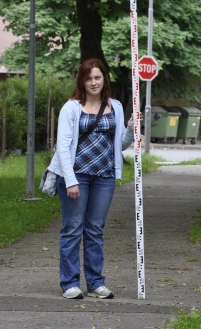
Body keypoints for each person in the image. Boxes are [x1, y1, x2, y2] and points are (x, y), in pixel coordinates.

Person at [45, 58, 135, 299]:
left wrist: (131, 129)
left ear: (104, 78)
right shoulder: (71, 108)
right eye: (88, 78)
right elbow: (63, 147)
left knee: (95, 229)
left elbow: (120, 145)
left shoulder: (115, 107)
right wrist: (71, 180)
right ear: (82, 81)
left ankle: (96, 283)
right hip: (77, 176)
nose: (94, 82)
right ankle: (70, 283)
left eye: (97, 77)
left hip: (104, 177)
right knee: (73, 228)